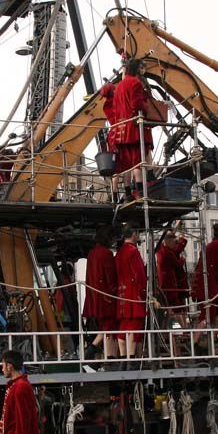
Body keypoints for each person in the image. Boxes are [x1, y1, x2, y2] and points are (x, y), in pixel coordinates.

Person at [110, 59, 153, 201]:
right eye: (142, 68)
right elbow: (136, 104)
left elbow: (115, 109)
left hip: (120, 129)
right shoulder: (135, 83)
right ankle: (140, 192)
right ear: (137, 68)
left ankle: (128, 193)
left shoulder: (119, 86)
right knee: (137, 162)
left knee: (125, 164)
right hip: (133, 128)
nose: (143, 71)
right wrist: (147, 109)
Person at [83, 225, 118, 360]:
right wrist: (116, 293)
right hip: (106, 298)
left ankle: (104, 354)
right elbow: (111, 277)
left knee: (106, 326)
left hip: (94, 297)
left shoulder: (92, 253)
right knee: (110, 326)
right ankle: (106, 355)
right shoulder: (106, 254)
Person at [115, 226, 148, 360]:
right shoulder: (133, 251)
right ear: (134, 233)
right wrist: (144, 292)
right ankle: (132, 360)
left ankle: (124, 361)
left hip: (122, 294)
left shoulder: (119, 252)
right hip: (134, 294)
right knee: (134, 327)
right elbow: (139, 274)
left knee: (123, 329)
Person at [191, 224, 218, 329]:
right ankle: (196, 340)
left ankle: (212, 336)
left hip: (206, 282)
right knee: (209, 313)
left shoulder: (210, 245)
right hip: (209, 284)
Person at [156, 226, 188, 329]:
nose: (175, 244)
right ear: (169, 241)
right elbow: (178, 264)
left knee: (168, 308)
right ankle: (184, 327)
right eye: (174, 242)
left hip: (163, 283)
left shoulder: (160, 249)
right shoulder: (168, 252)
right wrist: (183, 259)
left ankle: (165, 327)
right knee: (176, 307)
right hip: (170, 284)